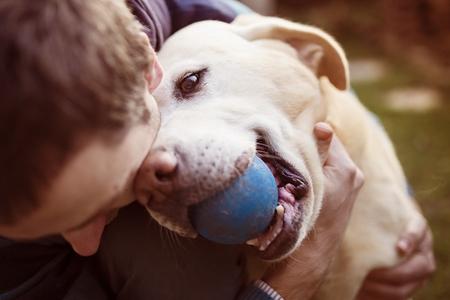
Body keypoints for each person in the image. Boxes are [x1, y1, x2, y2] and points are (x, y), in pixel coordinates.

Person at [0, 0, 434, 299]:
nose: (85, 243)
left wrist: (397, 215)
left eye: (189, 85)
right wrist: (293, 281)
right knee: (171, 270)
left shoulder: (204, 23)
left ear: (147, 67)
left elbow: (312, 78)